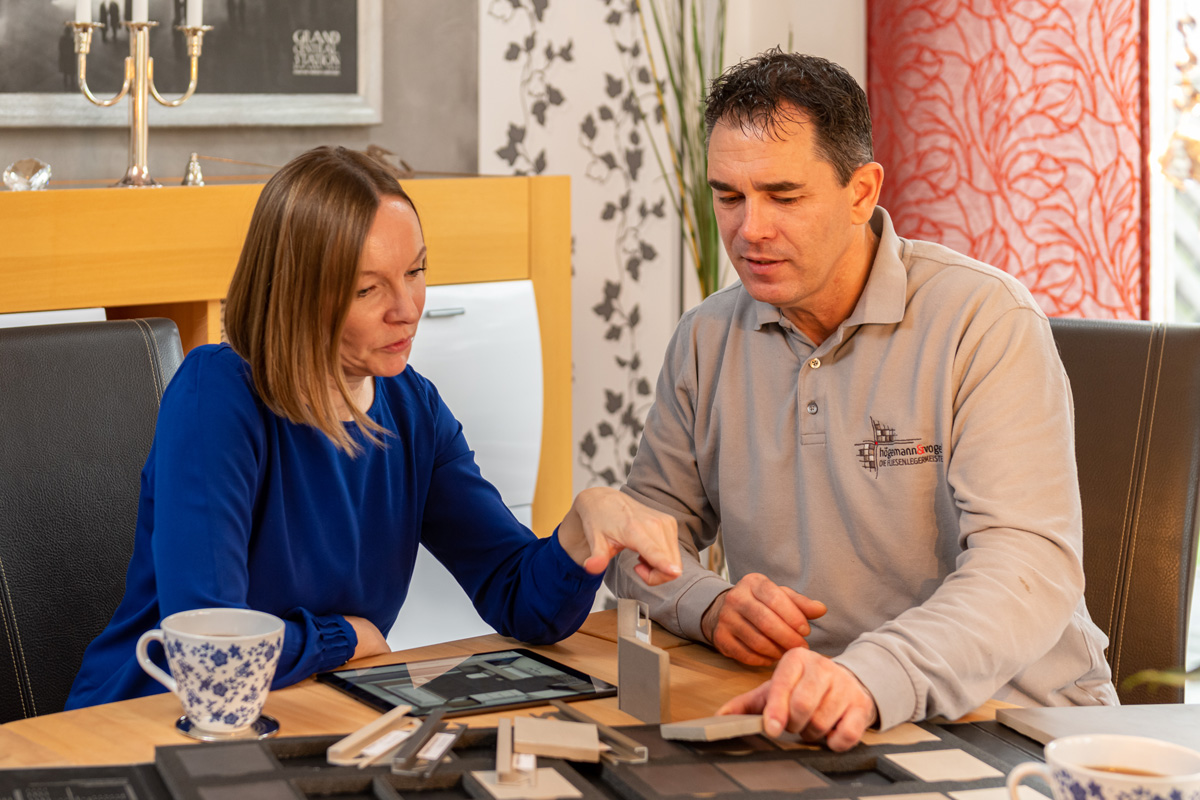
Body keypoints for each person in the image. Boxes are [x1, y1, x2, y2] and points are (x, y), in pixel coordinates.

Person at [605, 49, 1117, 751]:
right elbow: (640, 539)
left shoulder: (985, 320)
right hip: (815, 714)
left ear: (861, 192)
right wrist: (710, 604)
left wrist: (871, 677)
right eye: (729, 196)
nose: (750, 230)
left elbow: (1027, 566)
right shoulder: (705, 338)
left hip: (1012, 719)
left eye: (784, 197)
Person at [67, 146, 681, 709]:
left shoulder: (413, 409)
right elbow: (213, 645)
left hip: (306, 712)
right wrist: (341, 638)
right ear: (297, 294)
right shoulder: (217, 395)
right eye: (368, 289)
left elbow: (521, 599)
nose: (407, 309)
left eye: (415, 271)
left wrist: (583, 527)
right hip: (147, 718)